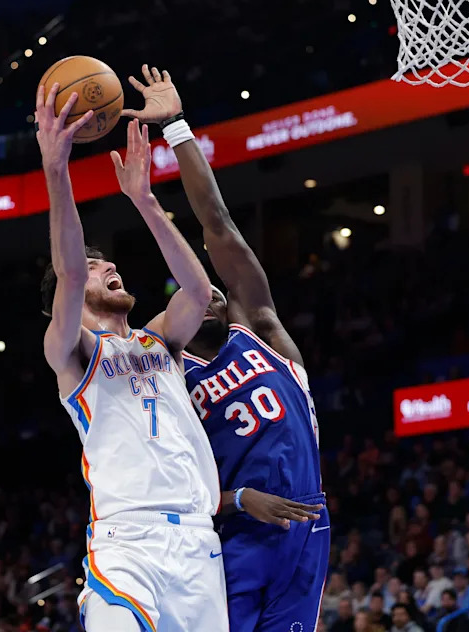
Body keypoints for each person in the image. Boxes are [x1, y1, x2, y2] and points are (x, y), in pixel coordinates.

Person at [121, 64, 329, 632]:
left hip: (305, 532)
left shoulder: (261, 329)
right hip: (227, 539)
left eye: (215, 288)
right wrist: (240, 500)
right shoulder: (167, 376)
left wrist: (178, 129)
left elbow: (218, 223)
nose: (210, 293)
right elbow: (172, 490)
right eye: (196, 292)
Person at [37, 87, 225, 631]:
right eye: (98, 267)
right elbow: (70, 270)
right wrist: (57, 169)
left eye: (105, 262)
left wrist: (144, 200)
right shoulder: (73, 353)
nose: (107, 264)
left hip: (197, 543)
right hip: (128, 542)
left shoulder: (158, 340)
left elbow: (198, 291)